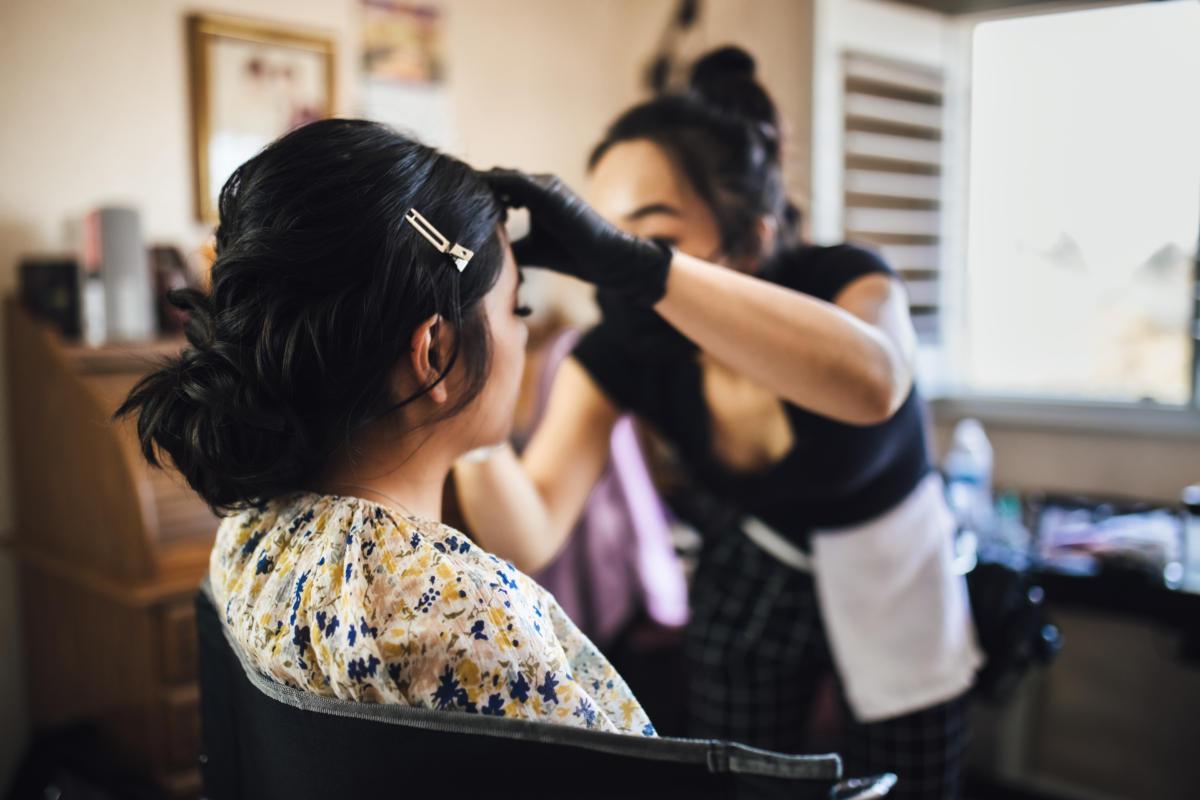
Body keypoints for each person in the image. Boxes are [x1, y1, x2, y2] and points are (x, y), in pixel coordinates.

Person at [456, 47, 981, 797]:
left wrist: (647, 271)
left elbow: (876, 383)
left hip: (896, 567)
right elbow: (530, 530)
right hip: (749, 566)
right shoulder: (623, 353)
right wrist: (468, 407)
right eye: (604, 237)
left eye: (649, 237)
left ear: (752, 236)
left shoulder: (844, 281)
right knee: (739, 783)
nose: (615, 267)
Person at [116, 119, 654, 736]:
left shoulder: (248, 532)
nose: (525, 332)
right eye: (517, 308)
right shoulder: (465, 613)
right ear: (433, 353)